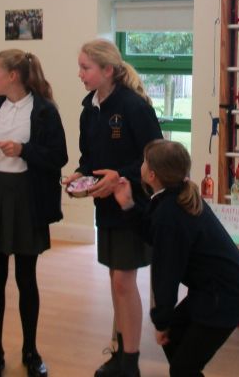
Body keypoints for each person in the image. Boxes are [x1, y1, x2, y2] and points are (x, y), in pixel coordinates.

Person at [113, 139, 239, 377]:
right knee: (175, 341)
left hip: (226, 296)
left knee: (183, 367)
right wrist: (128, 205)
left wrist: (161, 321)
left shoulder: (171, 212)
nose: (141, 165)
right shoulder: (174, 197)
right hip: (219, 289)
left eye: (144, 161)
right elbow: (154, 232)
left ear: (152, 175)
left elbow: (166, 274)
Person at [64, 38, 163, 377]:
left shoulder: (134, 106)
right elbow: (89, 159)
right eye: (79, 67)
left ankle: (129, 363)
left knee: (123, 281)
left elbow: (155, 158)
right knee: (115, 279)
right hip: (106, 205)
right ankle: (121, 352)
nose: (80, 74)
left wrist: (119, 177)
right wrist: (80, 175)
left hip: (132, 205)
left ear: (108, 70)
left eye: (85, 68)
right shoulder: (88, 110)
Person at [0, 49, 68, 377]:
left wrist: (24, 150)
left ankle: (31, 351)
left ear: (12, 76)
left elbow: (58, 157)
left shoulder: (43, 111)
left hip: (28, 198)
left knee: (27, 278)